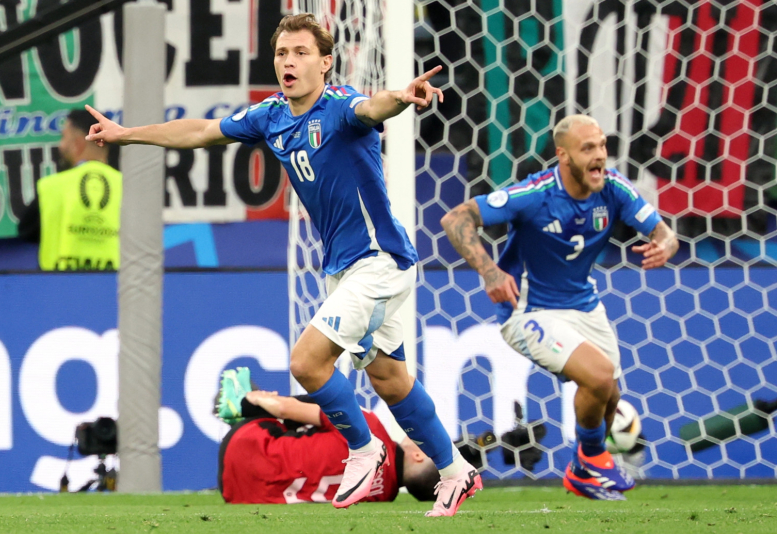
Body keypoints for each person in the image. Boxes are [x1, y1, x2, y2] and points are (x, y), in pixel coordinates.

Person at [84, 13, 480, 516]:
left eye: (300, 53)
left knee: (306, 363)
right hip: (343, 268)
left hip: (379, 261)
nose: (288, 62)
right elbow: (201, 130)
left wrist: (401, 98)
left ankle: (365, 450)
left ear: (326, 62)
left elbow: (372, 106)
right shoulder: (271, 115)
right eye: (281, 54)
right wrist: (128, 134)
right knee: (389, 380)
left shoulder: (340, 108)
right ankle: (455, 470)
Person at [441, 114, 679, 500]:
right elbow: (456, 219)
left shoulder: (614, 188)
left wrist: (666, 244)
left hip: (585, 304)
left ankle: (583, 468)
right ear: (563, 156)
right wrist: (490, 272)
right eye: (588, 148)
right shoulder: (535, 195)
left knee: (609, 394)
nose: (599, 155)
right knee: (598, 376)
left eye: (602, 146)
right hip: (529, 310)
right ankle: (591, 459)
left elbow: (663, 232)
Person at [216, 368, 441, 505]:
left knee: (330, 407)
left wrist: (254, 399)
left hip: (244, 443)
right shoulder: (382, 497)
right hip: (239, 493)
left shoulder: (372, 428)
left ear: (419, 455)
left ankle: (243, 403)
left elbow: (285, 410)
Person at [18, 109, 122, 271]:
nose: (61, 145)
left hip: (60, 284)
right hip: (117, 284)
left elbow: (26, 232)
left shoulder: (52, 186)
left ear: (78, 144)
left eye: (64, 137)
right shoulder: (128, 187)